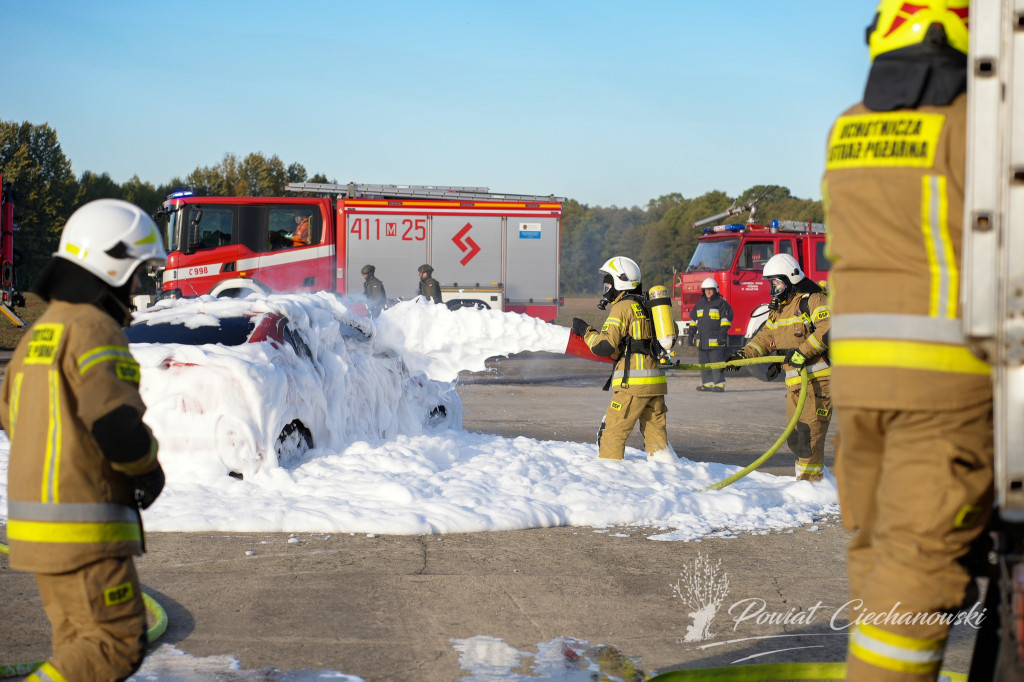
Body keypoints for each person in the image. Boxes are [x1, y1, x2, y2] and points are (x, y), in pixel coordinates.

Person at [823, 3, 992, 679]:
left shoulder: (849, 128)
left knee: (875, 549)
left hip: (860, 385)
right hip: (946, 383)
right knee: (918, 566)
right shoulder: (975, 125)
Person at [0, 199, 168, 682]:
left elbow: (14, 419)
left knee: (78, 649)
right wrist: (147, 470)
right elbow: (116, 425)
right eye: (135, 272)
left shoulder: (39, 334)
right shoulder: (95, 329)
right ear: (111, 265)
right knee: (115, 645)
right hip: (83, 532)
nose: (137, 286)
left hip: (37, 531)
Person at [727, 253, 831, 482]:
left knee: (810, 436)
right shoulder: (779, 309)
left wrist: (802, 353)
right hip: (794, 382)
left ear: (790, 278)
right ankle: (806, 483)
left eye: (776, 282)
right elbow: (765, 338)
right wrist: (742, 356)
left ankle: (812, 486)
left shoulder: (813, 300)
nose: (773, 288)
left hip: (816, 381)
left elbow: (828, 329)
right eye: (771, 283)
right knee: (795, 437)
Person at [571, 256, 678, 463]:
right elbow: (634, 345)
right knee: (657, 440)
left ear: (620, 281)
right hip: (655, 384)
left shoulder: (622, 308)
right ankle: (666, 476)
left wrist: (585, 330)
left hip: (633, 386)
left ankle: (609, 478)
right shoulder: (648, 306)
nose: (606, 287)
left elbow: (604, 346)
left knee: (612, 434)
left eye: (608, 282)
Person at [687, 277, 733, 392]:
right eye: (706, 289)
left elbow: (726, 320)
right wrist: (691, 334)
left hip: (716, 340)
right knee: (704, 363)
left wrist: (723, 335)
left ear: (715, 290)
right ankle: (708, 384)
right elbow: (694, 320)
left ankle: (719, 384)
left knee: (716, 363)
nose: (708, 291)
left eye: (710, 289)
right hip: (702, 342)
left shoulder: (721, 303)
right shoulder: (700, 304)